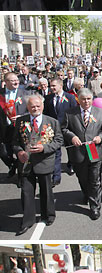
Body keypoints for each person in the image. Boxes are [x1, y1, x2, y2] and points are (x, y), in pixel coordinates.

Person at [10, 93, 62, 238]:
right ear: (28, 107)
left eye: (38, 106)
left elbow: (58, 141)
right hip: (26, 163)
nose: (35, 108)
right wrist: (19, 152)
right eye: (32, 106)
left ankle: (48, 215)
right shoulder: (21, 121)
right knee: (26, 192)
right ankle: (27, 221)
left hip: (44, 162)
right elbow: (14, 142)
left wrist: (44, 148)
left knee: (46, 191)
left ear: (43, 106)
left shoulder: (52, 121)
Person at [62, 86, 102, 221]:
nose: (86, 102)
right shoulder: (70, 114)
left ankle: (95, 207)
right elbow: (64, 129)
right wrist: (72, 136)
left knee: (95, 179)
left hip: (95, 150)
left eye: (89, 99)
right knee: (83, 178)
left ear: (92, 99)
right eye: (83, 99)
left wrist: (100, 137)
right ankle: (87, 193)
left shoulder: (100, 112)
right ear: (78, 99)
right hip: (78, 152)